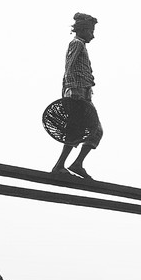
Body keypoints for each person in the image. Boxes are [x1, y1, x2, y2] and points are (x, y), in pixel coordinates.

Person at [52, 13, 101, 180]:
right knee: (76, 130)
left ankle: (76, 164)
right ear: (83, 29)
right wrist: (72, 92)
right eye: (91, 31)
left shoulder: (82, 45)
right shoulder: (77, 44)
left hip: (84, 93)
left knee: (95, 131)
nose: (93, 36)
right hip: (77, 92)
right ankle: (60, 166)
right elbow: (69, 68)